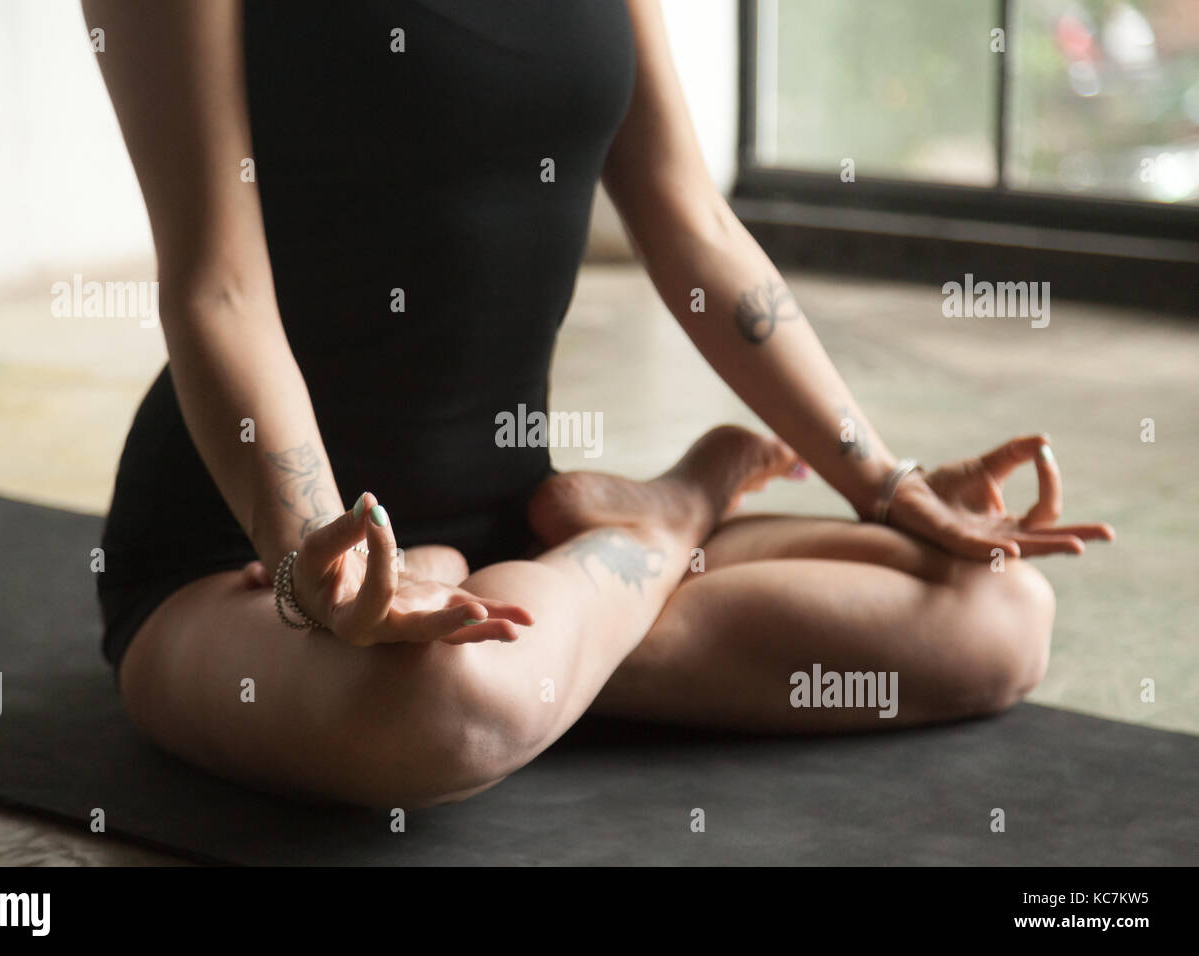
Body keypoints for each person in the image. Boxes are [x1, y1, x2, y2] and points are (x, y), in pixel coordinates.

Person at [85, 0, 1112, 808]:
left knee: (998, 615)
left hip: (512, 511)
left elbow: (688, 214)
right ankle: (659, 532)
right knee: (448, 711)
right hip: (240, 555)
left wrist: (884, 480)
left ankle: (556, 630)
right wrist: (315, 553)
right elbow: (215, 285)